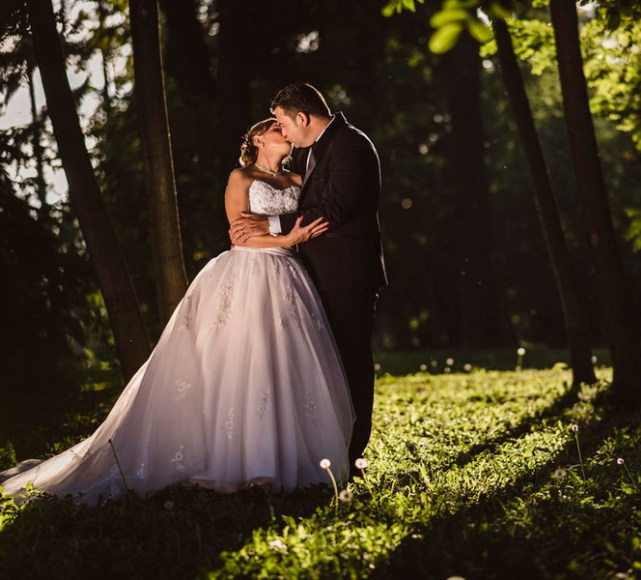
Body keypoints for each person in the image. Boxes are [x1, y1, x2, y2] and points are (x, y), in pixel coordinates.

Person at [0, 119, 354, 505]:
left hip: (289, 275)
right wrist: (289, 238)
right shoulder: (241, 177)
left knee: (287, 359)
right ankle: (243, 460)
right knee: (243, 360)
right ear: (257, 138)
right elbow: (240, 236)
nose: (284, 132)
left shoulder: (298, 180)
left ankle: (291, 459)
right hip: (249, 274)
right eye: (276, 128)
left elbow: (304, 222)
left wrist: (293, 240)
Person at [230, 83, 386, 472]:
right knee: (319, 364)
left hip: (347, 274)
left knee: (350, 360)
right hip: (309, 275)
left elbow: (333, 209)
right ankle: (315, 443)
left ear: (302, 117)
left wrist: (270, 223)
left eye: (283, 121)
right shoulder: (311, 151)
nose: (283, 130)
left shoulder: (350, 144)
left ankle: (352, 452)